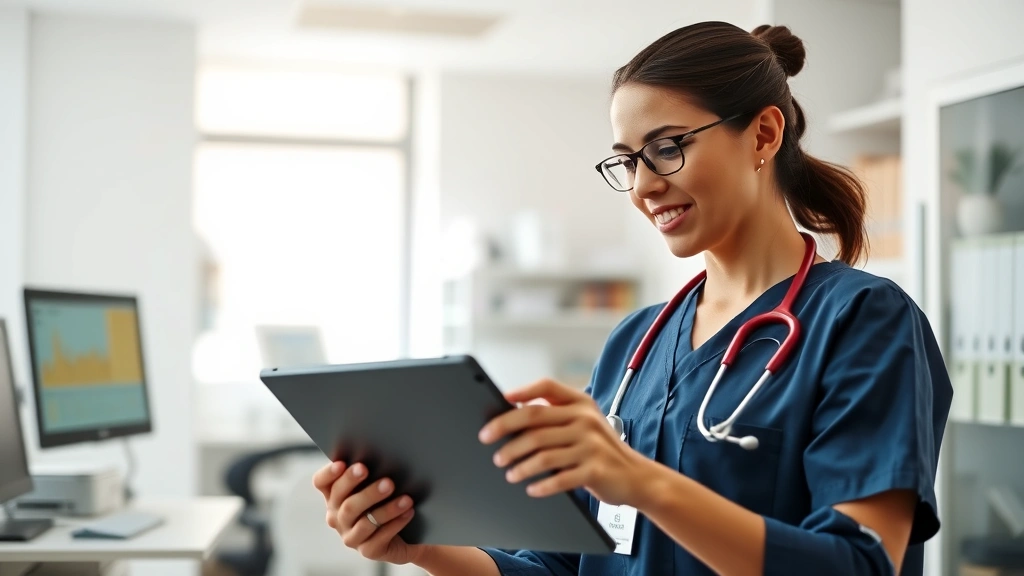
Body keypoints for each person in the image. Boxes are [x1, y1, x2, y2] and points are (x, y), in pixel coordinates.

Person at [312, 21, 953, 576]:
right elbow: (559, 565)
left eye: (667, 148)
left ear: (763, 135)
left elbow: (861, 562)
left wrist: (641, 482)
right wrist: (423, 548)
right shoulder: (635, 345)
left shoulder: (863, 322)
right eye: (627, 160)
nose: (644, 186)